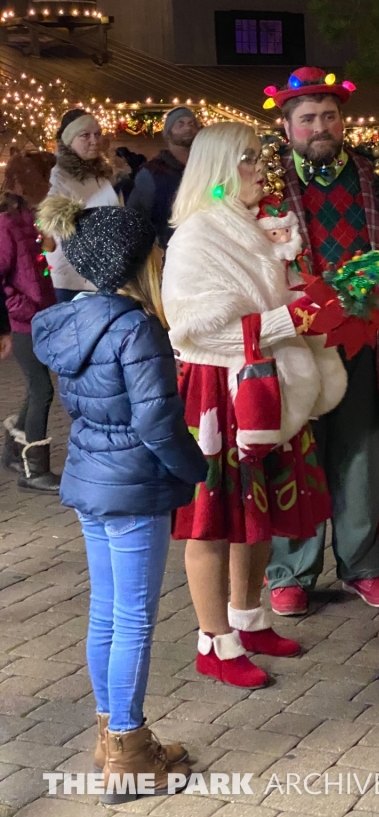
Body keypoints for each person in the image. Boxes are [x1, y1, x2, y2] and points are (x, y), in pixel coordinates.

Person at [162, 122, 347, 687]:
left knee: (257, 512)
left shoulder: (256, 224)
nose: (260, 168)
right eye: (246, 159)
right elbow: (190, 331)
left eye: (258, 157)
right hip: (221, 391)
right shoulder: (195, 236)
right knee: (212, 522)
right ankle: (213, 643)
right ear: (218, 169)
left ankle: (249, 618)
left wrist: (318, 298)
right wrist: (287, 321)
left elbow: (272, 298)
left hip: (269, 383)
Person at [32, 199, 206, 802]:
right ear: (139, 263)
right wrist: (197, 466)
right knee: (132, 617)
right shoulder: (136, 327)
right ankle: (129, 750)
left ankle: (113, 738)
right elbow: (157, 423)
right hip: (134, 485)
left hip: (90, 479)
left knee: (106, 612)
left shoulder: (68, 321)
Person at [264, 67, 379, 615]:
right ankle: (291, 570)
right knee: (296, 454)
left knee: (363, 454)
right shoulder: (265, 187)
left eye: (330, 116)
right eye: (308, 118)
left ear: (344, 121)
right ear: (288, 126)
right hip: (296, 343)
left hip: (368, 340)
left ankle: (363, 566)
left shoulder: (378, 178)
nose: (321, 127)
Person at [0, 153, 59, 492]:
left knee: (39, 386)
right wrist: (14, 310)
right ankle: (34, 469)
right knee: (42, 388)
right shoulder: (8, 223)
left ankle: (14, 447)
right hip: (24, 319)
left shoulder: (30, 218)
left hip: (40, 314)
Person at [46, 110, 119, 303]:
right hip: (71, 281)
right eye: (85, 135)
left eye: (97, 134)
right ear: (69, 140)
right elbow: (55, 228)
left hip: (102, 275)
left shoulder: (100, 174)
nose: (94, 141)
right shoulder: (57, 176)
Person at [128, 107, 200, 248]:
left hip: (199, 246)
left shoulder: (203, 168)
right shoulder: (153, 172)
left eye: (191, 124)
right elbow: (137, 217)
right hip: (165, 250)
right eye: (180, 123)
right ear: (168, 132)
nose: (187, 128)